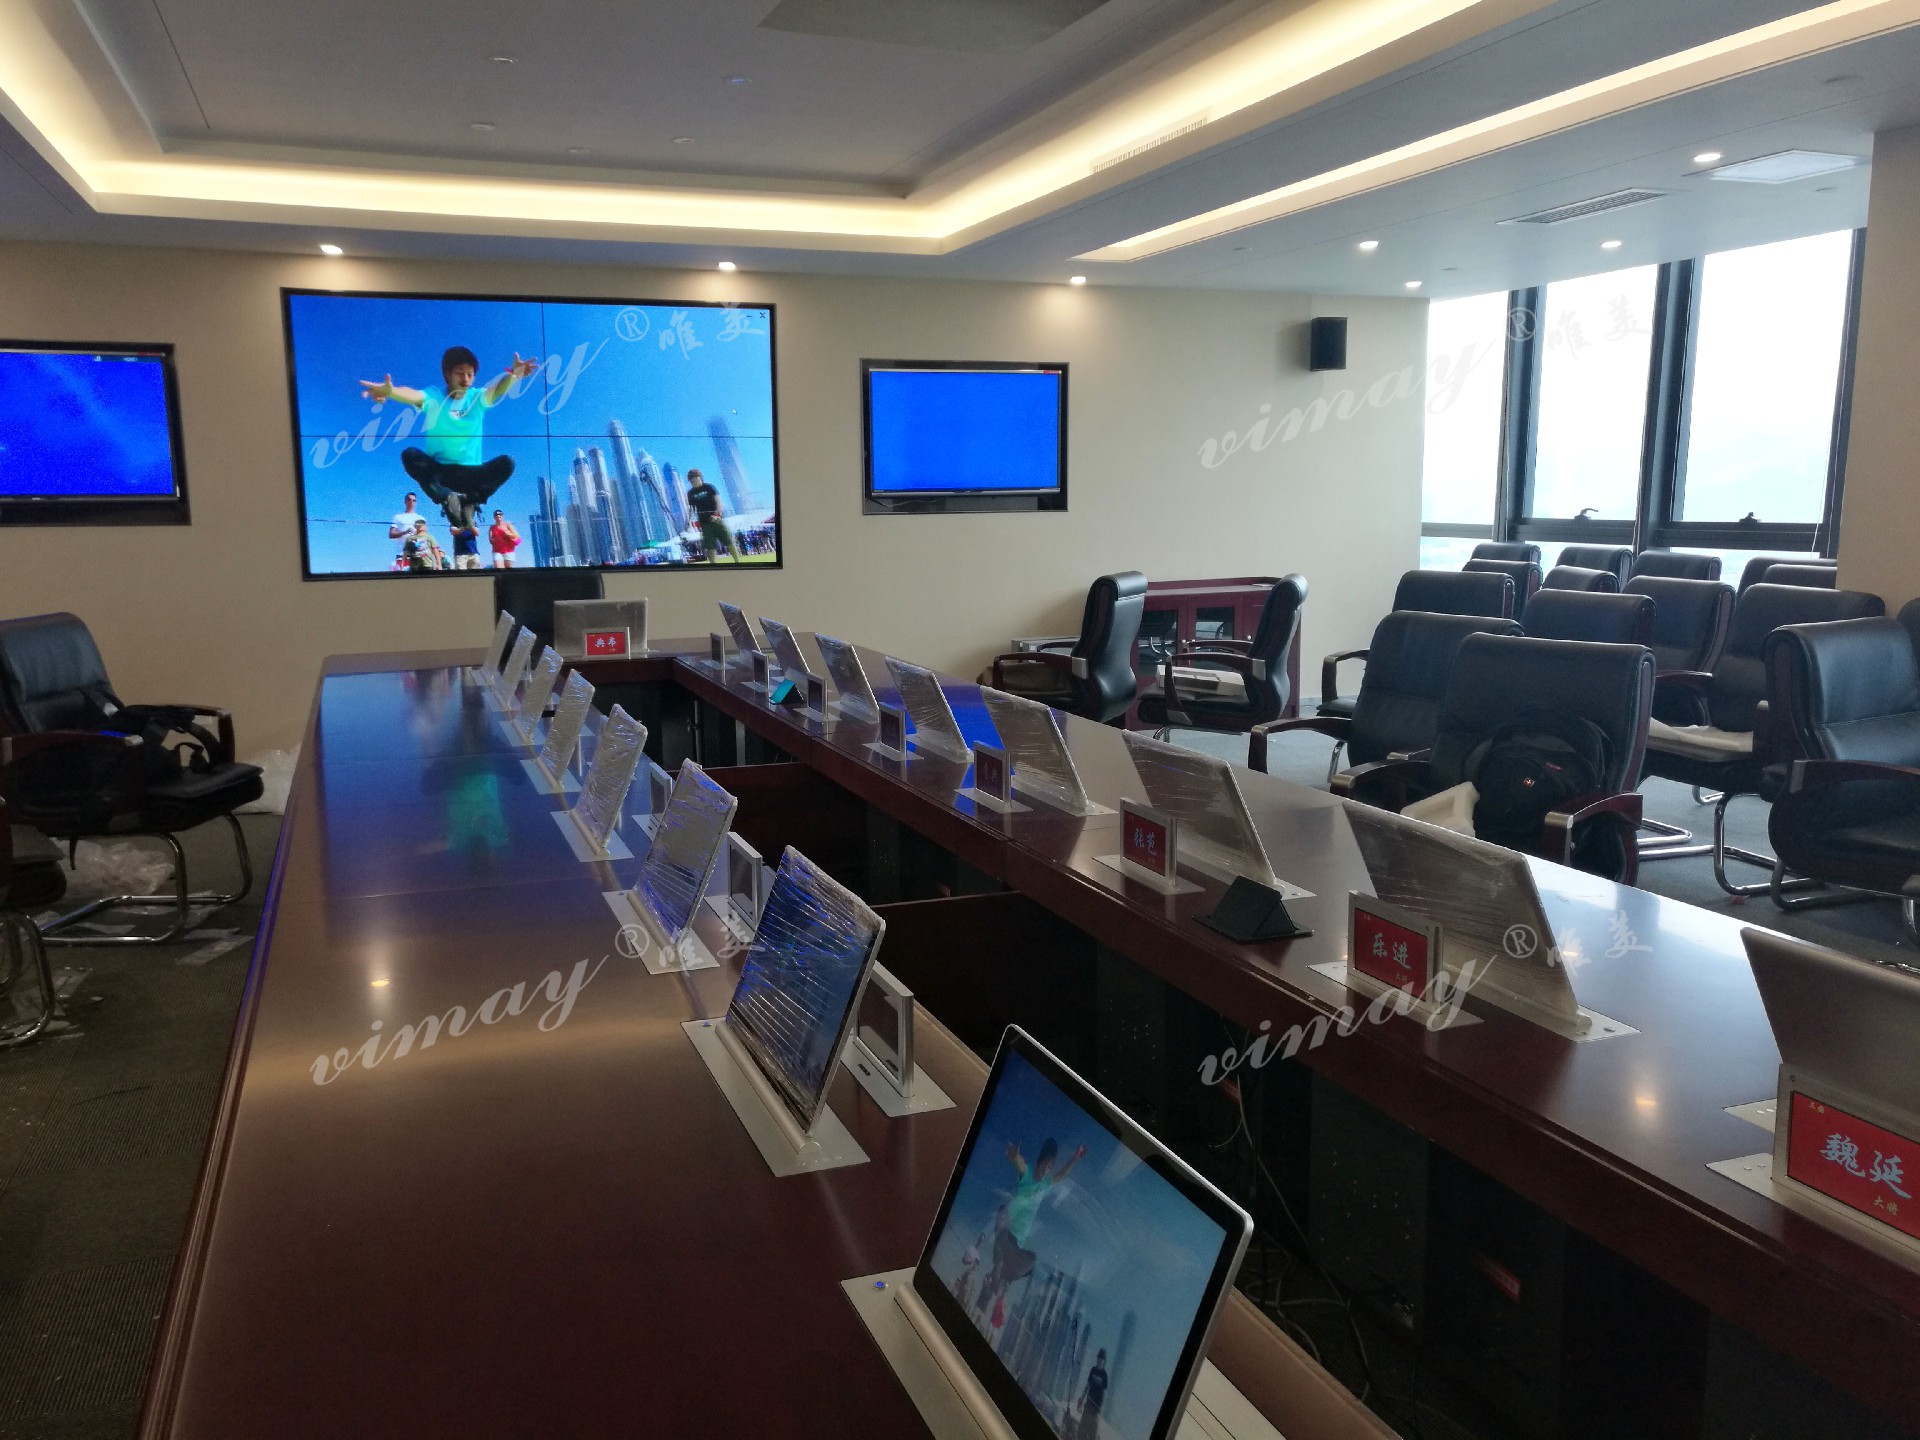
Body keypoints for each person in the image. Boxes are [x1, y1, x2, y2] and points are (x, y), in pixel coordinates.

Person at [359, 345, 538, 516]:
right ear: (447, 374)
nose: (465, 379)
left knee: (507, 463)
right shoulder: (435, 395)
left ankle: (471, 501)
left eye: (470, 374)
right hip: (441, 472)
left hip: (472, 473)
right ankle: (446, 498)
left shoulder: (477, 397)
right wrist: (391, 391)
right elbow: (414, 395)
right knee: (410, 455)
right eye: (460, 373)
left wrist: (514, 375)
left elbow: (497, 389)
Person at [982, 1137, 1087, 1327]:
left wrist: (1074, 1159)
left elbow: (1061, 1175)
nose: (1046, 1169)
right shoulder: (1028, 1173)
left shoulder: (1046, 1184)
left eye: (1050, 1166)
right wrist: (1015, 1156)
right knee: (1002, 1222)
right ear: (1039, 1161)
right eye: (1045, 1164)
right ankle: (995, 1275)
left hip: (1016, 1242)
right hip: (1005, 1227)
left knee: (1029, 1261)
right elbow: (1020, 1164)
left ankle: (996, 1295)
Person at [685, 468, 740, 562]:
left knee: (728, 541)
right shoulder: (691, 493)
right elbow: (690, 509)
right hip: (704, 523)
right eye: (691, 481)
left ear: (700, 478)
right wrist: (688, 522)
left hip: (717, 520)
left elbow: (718, 501)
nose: (693, 482)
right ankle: (713, 565)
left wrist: (717, 515)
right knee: (710, 546)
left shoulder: (709, 487)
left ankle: (737, 561)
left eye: (694, 479)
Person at [1075, 1349, 1109, 1440]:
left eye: (1102, 1358)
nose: (1100, 1360)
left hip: (1096, 1409)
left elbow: (1104, 1394)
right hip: (1088, 1405)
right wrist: (1081, 1399)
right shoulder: (1093, 1370)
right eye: (1099, 1357)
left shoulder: (1104, 1375)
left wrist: (1100, 1409)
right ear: (1097, 1358)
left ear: (1104, 1361)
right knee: (1082, 1430)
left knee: (1092, 1433)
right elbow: (1088, 1385)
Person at [389, 491, 429, 567]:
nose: (411, 502)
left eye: (414, 500)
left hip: (418, 555)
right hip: (402, 556)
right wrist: (405, 532)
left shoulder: (421, 518)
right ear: (405, 501)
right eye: (409, 499)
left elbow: (425, 537)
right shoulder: (398, 517)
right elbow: (391, 534)